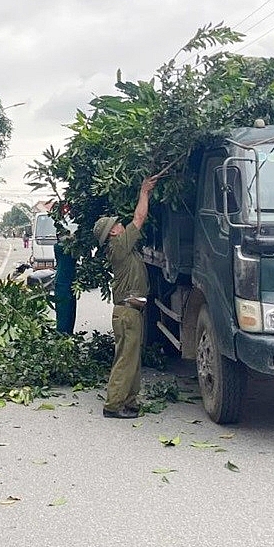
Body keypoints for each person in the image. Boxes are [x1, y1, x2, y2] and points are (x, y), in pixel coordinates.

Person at [93, 175, 158, 419]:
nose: (121, 224)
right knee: (125, 360)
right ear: (112, 233)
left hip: (131, 312)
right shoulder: (119, 246)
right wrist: (144, 192)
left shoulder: (122, 247)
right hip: (127, 312)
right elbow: (139, 218)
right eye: (117, 225)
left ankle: (129, 401)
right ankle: (113, 405)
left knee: (132, 360)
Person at [53, 227, 78, 335]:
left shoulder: (59, 246)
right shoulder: (67, 247)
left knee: (67, 313)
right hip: (66, 282)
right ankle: (65, 335)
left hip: (65, 282)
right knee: (67, 313)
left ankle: (66, 335)